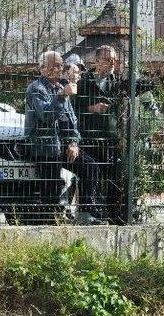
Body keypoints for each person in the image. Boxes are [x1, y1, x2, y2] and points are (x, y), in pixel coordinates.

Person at [73, 45, 162, 224]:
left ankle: (114, 217)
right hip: (89, 137)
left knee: (113, 177)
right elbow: (72, 108)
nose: (113, 63)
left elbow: (136, 88)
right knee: (91, 176)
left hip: (111, 139)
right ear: (97, 61)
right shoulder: (83, 81)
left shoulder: (116, 81)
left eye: (114, 60)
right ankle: (89, 214)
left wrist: (157, 78)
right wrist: (91, 108)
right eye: (108, 60)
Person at [24, 51, 105, 224]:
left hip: (62, 146)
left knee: (90, 168)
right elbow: (47, 115)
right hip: (44, 146)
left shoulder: (61, 88)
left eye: (60, 65)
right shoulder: (36, 89)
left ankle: (85, 214)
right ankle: (50, 220)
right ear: (42, 68)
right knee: (52, 186)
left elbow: (71, 121)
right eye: (53, 65)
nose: (58, 69)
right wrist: (62, 96)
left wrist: (73, 142)